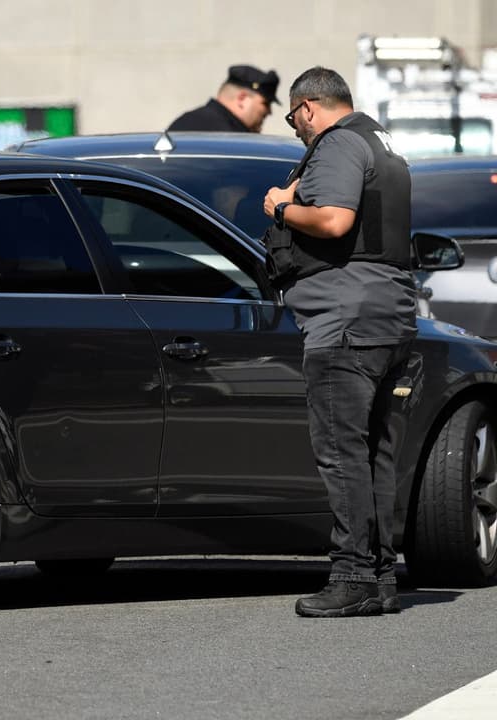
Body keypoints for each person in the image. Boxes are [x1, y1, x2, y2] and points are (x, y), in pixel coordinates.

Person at [262, 66, 416, 618]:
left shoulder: (338, 144)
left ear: (307, 108)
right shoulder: (380, 142)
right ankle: (377, 578)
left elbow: (331, 221)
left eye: (294, 118)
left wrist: (280, 205)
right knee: (371, 449)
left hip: (345, 319)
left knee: (341, 451)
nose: (297, 130)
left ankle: (351, 574)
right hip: (383, 313)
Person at [168, 65, 280, 133]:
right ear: (242, 99)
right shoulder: (232, 138)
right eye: (265, 103)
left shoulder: (187, 121)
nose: (269, 112)